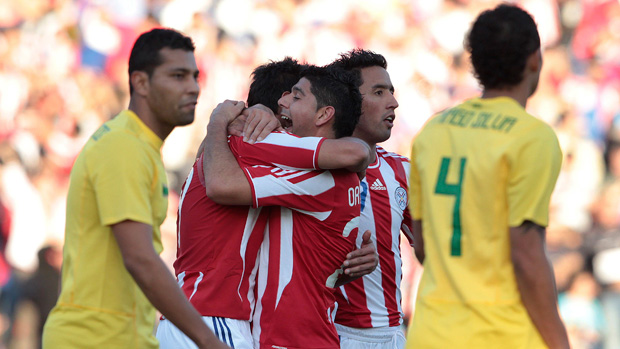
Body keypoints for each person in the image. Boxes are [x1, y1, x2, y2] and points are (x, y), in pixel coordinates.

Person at [156, 60, 376, 348]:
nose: (287, 101)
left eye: (296, 96)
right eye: (288, 95)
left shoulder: (226, 147)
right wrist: (225, 120)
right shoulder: (253, 144)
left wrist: (222, 121)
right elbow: (359, 153)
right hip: (215, 320)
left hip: (204, 319)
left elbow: (360, 154)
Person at [42, 28, 226, 348]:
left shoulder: (139, 146)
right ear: (140, 82)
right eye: (178, 76)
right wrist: (208, 341)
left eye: (195, 77)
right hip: (93, 339)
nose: (193, 88)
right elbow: (140, 259)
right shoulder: (124, 147)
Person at [406, 4, 570, 349]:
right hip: (501, 334)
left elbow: (423, 244)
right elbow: (525, 254)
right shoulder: (531, 137)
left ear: (475, 63)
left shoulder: (433, 131)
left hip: (432, 331)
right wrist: (559, 342)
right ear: (535, 60)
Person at [328, 49, 414, 348]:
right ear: (349, 102)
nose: (393, 102)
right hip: (332, 331)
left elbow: (435, 251)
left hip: (392, 334)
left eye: (391, 91)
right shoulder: (310, 167)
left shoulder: (403, 171)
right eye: (379, 92)